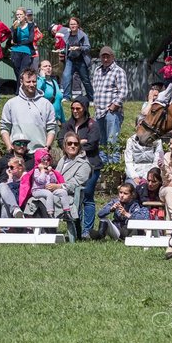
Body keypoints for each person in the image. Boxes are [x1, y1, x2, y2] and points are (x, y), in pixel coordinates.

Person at [60, 96, 102, 237]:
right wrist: (80, 141)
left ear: (84, 108)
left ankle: (87, 231)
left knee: (87, 197)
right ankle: (77, 228)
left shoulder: (92, 124)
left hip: (91, 165)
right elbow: (61, 141)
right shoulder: (68, 124)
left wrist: (77, 145)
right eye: (73, 108)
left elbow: (92, 144)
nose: (75, 111)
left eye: (78, 108)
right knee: (75, 197)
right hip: (72, 165)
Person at [0, 67, 58, 153]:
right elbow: (4, 128)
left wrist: (47, 147)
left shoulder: (46, 104)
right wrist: (9, 146)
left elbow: (52, 128)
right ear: (21, 82)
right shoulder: (11, 104)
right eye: (28, 81)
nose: (32, 84)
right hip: (18, 153)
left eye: (34, 81)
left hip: (39, 153)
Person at [91, 46, 128, 151]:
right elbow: (95, 89)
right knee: (101, 142)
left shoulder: (118, 71)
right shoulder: (97, 71)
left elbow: (123, 91)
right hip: (99, 112)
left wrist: (114, 106)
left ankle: (114, 166)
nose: (105, 59)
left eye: (108, 57)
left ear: (113, 57)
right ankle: (103, 166)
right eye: (103, 57)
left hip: (112, 112)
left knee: (112, 142)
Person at [55, 134, 92, 239]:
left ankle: (47, 232)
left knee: (46, 200)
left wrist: (59, 187)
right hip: (55, 191)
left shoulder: (84, 164)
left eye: (75, 144)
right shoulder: (63, 160)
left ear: (79, 146)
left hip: (69, 195)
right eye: (69, 143)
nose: (72, 146)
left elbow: (76, 182)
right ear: (65, 146)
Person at [60, 16, 92, 100]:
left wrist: (79, 48)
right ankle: (66, 97)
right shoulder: (67, 35)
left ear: (78, 25)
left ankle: (91, 98)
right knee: (66, 76)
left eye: (74, 24)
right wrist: (62, 50)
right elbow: (67, 48)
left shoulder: (83, 35)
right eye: (71, 24)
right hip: (70, 59)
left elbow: (88, 47)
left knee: (85, 80)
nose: (72, 25)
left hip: (81, 60)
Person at [8, 8, 42, 81]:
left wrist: (18, 43)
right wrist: (15, 29)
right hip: (16, 50)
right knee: (17, 71)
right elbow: (14, 40)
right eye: (17, 14)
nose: (19, 16)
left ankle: (24, 87)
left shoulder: (31, 25)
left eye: (21, 14)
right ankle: (19, 89)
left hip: (28, 50)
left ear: (25, 15)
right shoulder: (15, 25)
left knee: (24, 71)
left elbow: (31, 39)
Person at [36, 60, 65, 125]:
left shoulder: (54, 82)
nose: (48, 68)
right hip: (43, 120)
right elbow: (37, 91)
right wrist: (42, 78)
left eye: (49, 66)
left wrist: (63, 121)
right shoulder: (37, 81)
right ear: (40, 69)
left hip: (56, 120)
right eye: (45, 66)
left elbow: (59, 102)